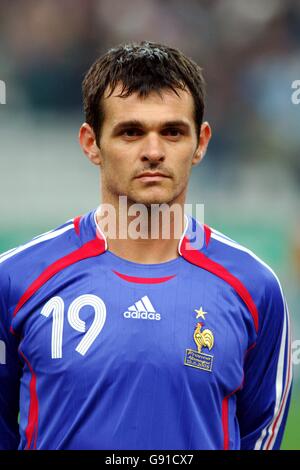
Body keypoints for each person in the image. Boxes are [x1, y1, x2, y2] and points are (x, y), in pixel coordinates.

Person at [0, 41, 292, 450]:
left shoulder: (255, 288)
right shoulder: (14, 280)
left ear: (201, 142)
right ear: (91, 143)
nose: (153, 152)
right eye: (131, 132)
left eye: (172, 132)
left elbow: (261, 434)